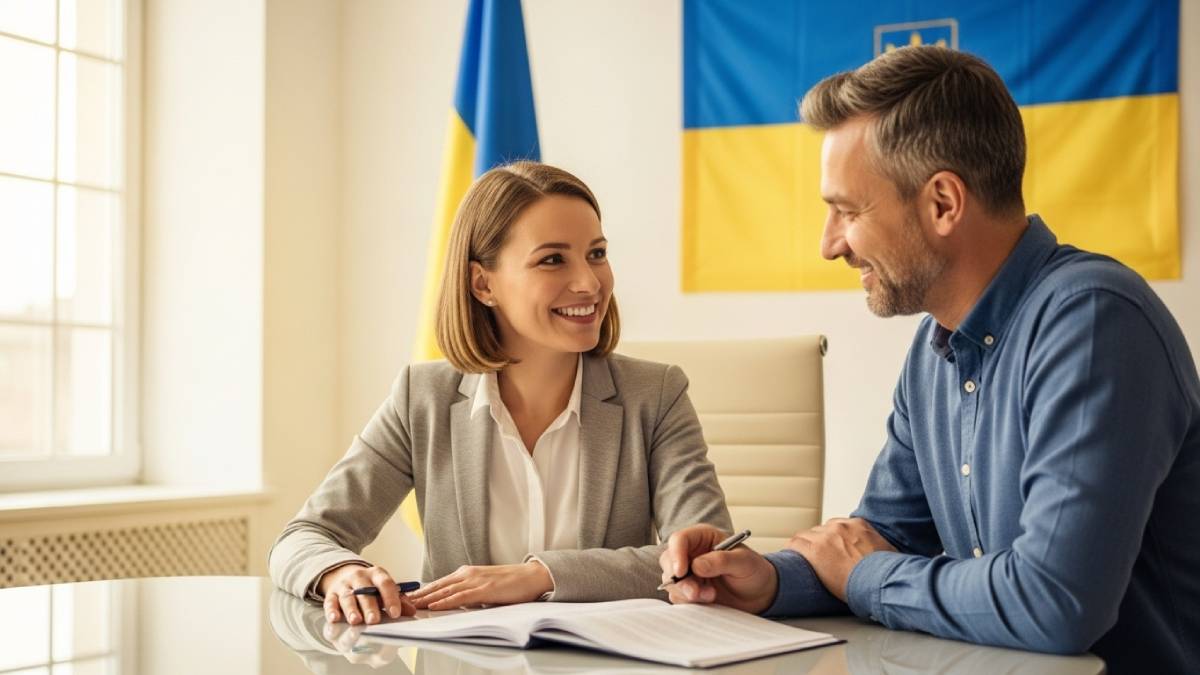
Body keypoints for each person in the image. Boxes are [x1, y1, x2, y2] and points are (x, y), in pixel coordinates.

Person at [660, 46, 1200, 673]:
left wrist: (865, 574)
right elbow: (883, 538)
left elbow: (1054, 602)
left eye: (848, 210)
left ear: (943, 202)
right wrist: (766, 580)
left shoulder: (1095, 320)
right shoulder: (934, 347)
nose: (829, 243)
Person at [271, 161, 730, 626]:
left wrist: (539, 576)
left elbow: (709, 557)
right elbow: (304, 536)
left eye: (596, 253)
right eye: (553, 259)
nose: (590, 283)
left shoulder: (655, 395)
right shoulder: (423, 398)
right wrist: (339, 570)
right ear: (483, 284)